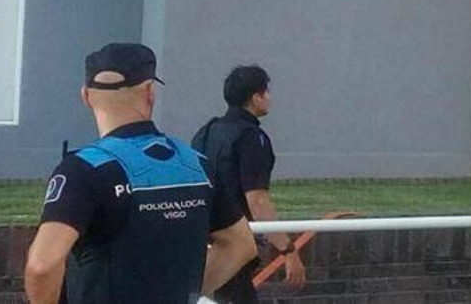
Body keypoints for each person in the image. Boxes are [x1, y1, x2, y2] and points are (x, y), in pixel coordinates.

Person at [23, 43, 257, 304]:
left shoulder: (83, 169)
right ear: (149, 92)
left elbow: (42, 265)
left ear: (86, 97)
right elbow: (241, 245)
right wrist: (182, 292)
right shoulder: (196, 165)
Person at [193, 65, 306, 301]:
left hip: (200, 237)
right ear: (256, 97)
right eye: (266, 92)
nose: (269, 98)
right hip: (235, 241)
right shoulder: (251, 138)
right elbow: (257, 200)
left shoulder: (206, 132)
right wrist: (287, 250)